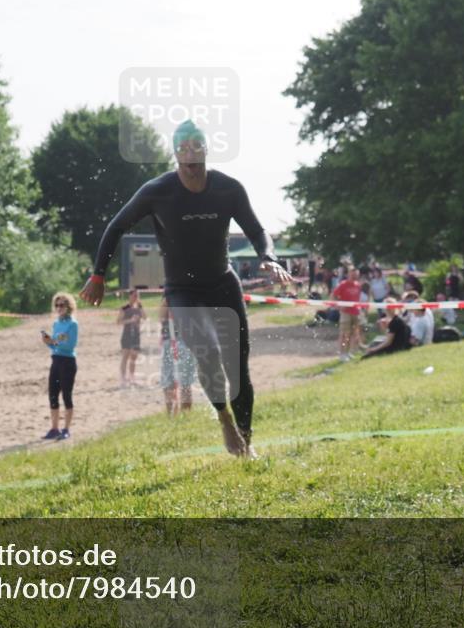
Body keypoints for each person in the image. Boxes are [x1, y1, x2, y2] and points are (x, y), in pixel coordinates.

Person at [79, 120, 292, 458]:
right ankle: (223, 417)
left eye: (196, 147)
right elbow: (116, 226)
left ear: (206, 150)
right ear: (175, 154)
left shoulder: (228, 189)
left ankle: (247, 441)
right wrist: (98, 275)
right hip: (183, 291)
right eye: (183, 148)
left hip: (223, 284)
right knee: (207, 351)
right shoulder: (157, 191)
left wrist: (268, 257)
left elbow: (257, 230)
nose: (190, 154)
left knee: (237, 367)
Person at [42, 292, 79, 441]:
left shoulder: (73, 324)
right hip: (56, 360)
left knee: (66, 396)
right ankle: (54, 428)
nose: (59, 308)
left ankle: (66, 429)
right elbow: (55, 346)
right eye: (56, 305)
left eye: (62, 305)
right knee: (53, 395)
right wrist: (48, 342)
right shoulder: (56, 323)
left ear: (68, 306)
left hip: (68, 362)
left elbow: (70, 345)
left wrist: (55, 342)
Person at [158, 297, 196, 416]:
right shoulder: (167, 295)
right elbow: (161, 317)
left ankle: (185, 415)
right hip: (169, 340)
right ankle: (171, 415)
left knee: (185, 382)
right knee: (168, 381)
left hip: (185, 340)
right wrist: (167, 300)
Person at [331, 267, 363, 361]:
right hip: (346, 313)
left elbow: (357, 299)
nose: (355, 276)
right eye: (353, 274)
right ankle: (342, 353)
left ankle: (348, 352)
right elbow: (333, 296)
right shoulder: (343, 284)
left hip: (355, 312)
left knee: (353, 334)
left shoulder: (358, 285)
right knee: (344, 333)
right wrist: (339, 307)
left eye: (356, 274)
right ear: (349, 274)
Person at [118, 288, 146, 387]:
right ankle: (123, 379)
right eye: (134, 296)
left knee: (134, 357)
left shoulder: (139, 308)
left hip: (136, 335)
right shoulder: (124, 308)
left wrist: (141, 307)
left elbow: (145, 317)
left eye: (137, 296)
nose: (136, 298)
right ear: (130, 296)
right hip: (126, 335)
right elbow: (118, 322)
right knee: (125, 357)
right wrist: (130, 320)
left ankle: (132, 377)